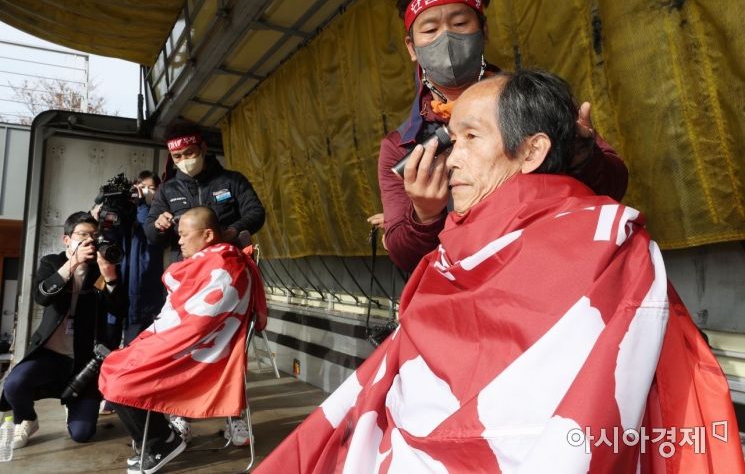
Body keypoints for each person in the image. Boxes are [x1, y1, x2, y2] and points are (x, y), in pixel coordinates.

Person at [254, 71, 743, 473]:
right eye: (450, 139)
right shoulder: (454, 249)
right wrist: (427, 220)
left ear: (531, 152)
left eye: (470, 138)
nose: (450, 159)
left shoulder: (610, 250)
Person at [379, 0, 629, 272]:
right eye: (430, 29)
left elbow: (613, 185)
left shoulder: (534, 100)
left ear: (483, 31)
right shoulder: (401, 145)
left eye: (460, 23)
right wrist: (423, 215)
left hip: (551, 268)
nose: (446, 38)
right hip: (466, 292)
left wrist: (580, 151)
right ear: (411, 46)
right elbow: (403, 253)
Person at [99, 207, 267, 474]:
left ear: (208, 234)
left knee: (119, 376)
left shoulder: (226, 267)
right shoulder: (215, 261)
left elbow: (196, 324)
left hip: (200, 356)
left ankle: (162, 442)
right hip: (185, 342)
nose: (178, 241)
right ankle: (161, 438)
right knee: (113, 365)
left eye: (184, 235)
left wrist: (150, 343)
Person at [0, 212, 126, 448]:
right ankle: (27, 419)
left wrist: (109, 277)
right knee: (13, 384)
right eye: (83, 235)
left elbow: (118, 310)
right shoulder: (51, 262)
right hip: (50, 355)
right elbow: (42, 296)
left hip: (84, 360)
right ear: (67, 239)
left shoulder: (100, 267)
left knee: (82, 434)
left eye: (94, 235)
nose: (90, 240)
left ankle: (73, 404)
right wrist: (73, 262)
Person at [144, 119, 266, 255]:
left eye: (189, 152)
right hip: (188, 268)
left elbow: (256, 212)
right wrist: (158, 227)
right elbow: (151, 233)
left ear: (203, 148)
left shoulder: (232, 180)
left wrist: (234, 230)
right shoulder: (166, 189)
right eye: (177, 156)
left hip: (229, 261)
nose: (184, 160)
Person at [125, 171, 165, 345]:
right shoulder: (126, 211)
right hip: (123, 285)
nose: (146, 191)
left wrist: (141, 205)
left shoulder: (160, 215)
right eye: (142, 187)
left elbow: (149, 234)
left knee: (139, 341)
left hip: (147, 285)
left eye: (151, 188)